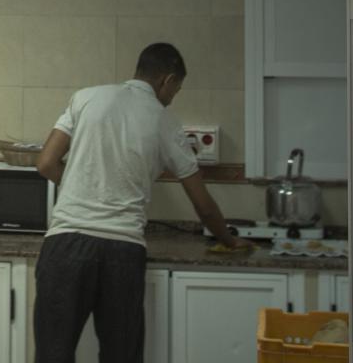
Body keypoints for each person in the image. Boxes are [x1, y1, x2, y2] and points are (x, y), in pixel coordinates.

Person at [33, 41, 252, 363]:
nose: (174, 96)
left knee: (53, 354)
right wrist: (228, 239)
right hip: (121, 251)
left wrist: (82, 186)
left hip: (65, 246)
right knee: (121, 355)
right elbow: (202, 204)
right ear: (168, 80)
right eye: (177, 88)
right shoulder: (166, 122)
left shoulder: (86, 97)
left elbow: (46, 164)